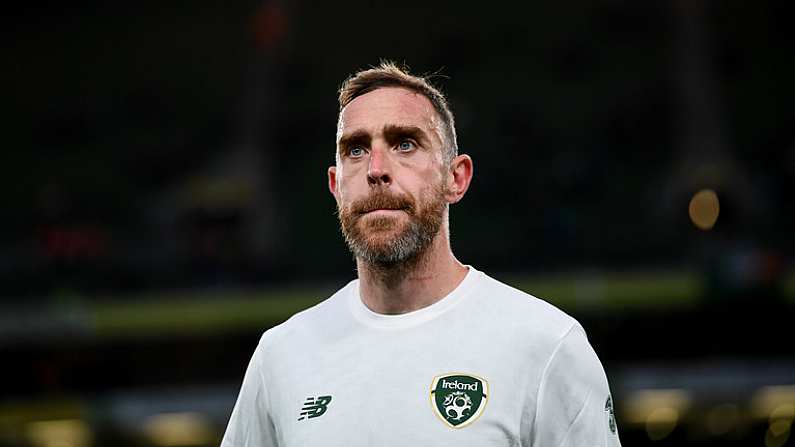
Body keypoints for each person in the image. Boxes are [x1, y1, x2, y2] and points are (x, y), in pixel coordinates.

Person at [221, 62, 621, 446]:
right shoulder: (282, 355)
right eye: (356, 150)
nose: (376, 168)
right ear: (335, 185)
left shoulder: (547, 345)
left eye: (405, 143)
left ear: (456, 178)